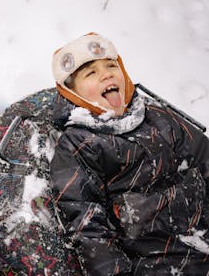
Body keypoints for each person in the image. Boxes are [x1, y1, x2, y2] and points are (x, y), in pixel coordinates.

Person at [49, 32, 209, 275]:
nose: (107, 74)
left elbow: (204, 158)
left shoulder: (157, 118)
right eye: (91, 73)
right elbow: (87, 224)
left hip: (201, 229)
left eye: (112, 66)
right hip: (156, 258)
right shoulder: (78, 145)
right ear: (73, 94)